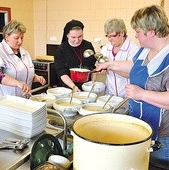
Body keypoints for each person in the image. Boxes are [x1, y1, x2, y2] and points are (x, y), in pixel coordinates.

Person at [95, 5, 169, 169]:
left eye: (138, 32)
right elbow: (133, 66)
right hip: (142, 126)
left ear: (151, 31)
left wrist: (142, 94)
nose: (135, 36)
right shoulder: (145, 50)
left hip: (163, 137)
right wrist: (110, 64)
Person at [0, 20, 46, 97]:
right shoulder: (0, 52)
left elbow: (23, 73)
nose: (20, 41)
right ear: (7, 37)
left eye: (22, 38)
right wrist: (17, 83)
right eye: (16, 38)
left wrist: (35, 77)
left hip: (25, 98)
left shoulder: (25, 53)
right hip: (7, 100)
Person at [100, 18, 139, 97]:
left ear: (122, 33)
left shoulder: (134, 49)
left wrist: (110, 67)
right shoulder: (105, 48)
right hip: (110, 94)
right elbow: (100, 65)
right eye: (108, 36)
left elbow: (132, 74)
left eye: (113, 36)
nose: (110, 39)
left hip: (127, 95)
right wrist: (102, 69)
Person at [54, 19, 96, 92]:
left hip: (86, 87)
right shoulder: (61, 50)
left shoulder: (88, 45)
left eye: (80, 36)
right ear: (67, 35)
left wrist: (92, 84)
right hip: (68, 88)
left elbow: (93, 68)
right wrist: (73, 87)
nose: (77, 40)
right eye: (73, 37)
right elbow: (62, 73)